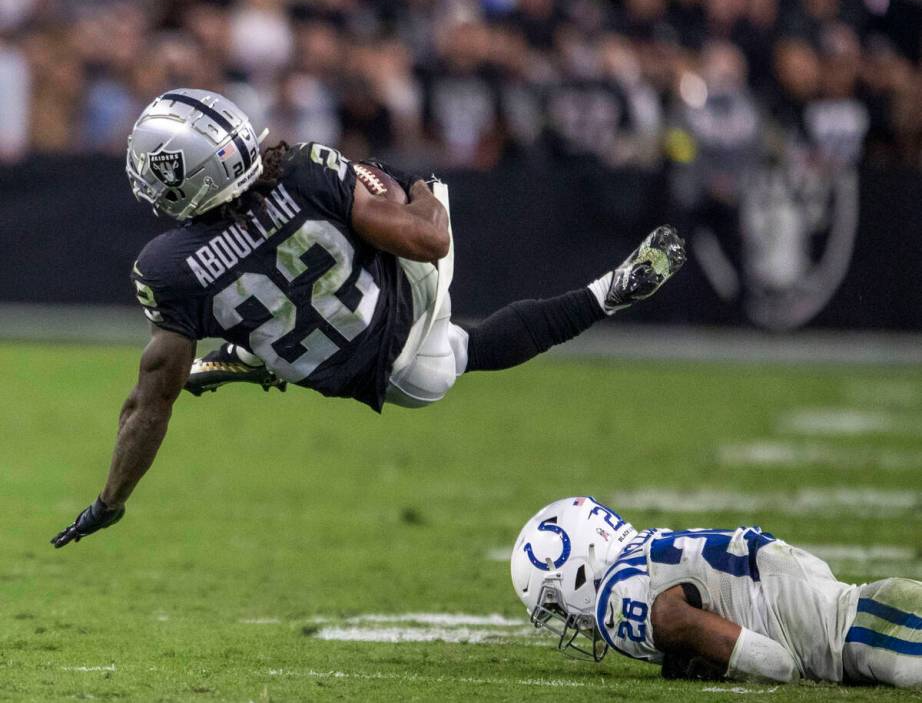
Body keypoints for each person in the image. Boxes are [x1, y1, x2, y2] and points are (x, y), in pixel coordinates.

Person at [49, 89, 685, 548]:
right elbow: (428, 242)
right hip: (402, 316)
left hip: (360, 375)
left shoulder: (164, 268)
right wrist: (414, 189)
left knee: (435, 352)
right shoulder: (300, 169)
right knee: (403, 199)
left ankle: (255, 355)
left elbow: (148, 404)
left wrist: (112, 500)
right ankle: (604, 294)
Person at [511, 496, 922, 688]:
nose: (567, 620)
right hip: (870, 611)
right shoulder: (649, 549)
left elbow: (777, 665)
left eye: (555, 604)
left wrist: (719, 660)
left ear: (579, 568)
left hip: (865, 634)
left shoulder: (617, 598)